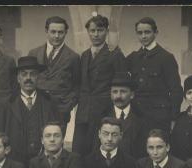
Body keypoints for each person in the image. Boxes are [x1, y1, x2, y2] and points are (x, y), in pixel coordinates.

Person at [72, 14, 126, 156]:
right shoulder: (84, 56)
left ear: (107, 31)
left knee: (98, 152)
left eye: (100, 30)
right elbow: (79, 84)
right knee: (78, 151)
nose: (96, 34)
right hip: (83, 112)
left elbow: (120, 85)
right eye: (92, 30)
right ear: (88, 32)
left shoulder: (115, 55)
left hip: (103, 112)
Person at [126, 17, 183, 132]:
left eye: (147, 32)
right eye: (140, 33)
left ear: (156, 33)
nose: (143, 36)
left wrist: (173, 118)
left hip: (159, 116)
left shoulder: (166, 57)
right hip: (136, 115)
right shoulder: (134, 57)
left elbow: (176, 90)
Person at [0, 56, 58, 166]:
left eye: (33, 74)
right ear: (18, 78)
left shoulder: (49, 102)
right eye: (24, 74)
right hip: (15, 163)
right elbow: (0, 136)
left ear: (38, 78)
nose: (28, 78)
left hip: (43, 163)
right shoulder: (6, 104)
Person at [29, 16, 81, 126]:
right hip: (36, 109)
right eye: (53, 32)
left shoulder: (73, 57)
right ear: (46, 31)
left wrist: (67, 105)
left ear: (66, 32)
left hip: (60, 112)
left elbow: (77, 86)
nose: (57, 36)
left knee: (56, 142)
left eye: (60, 32)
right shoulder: (34, 53)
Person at [100, 72, 150, 159]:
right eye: (115, 92)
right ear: (110, 95)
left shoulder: (143, 118)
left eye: (123, 91)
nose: (118, 96)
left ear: (132, 95)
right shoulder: (101, 116)